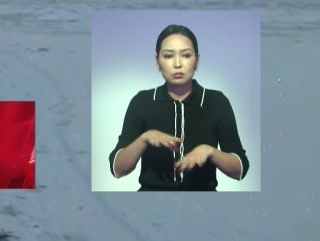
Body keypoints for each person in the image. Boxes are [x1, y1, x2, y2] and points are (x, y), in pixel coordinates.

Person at [107, 24, 251, 191]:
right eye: (168, 56)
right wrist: (144, 139)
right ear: (157, 62)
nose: (177, 64)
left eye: (186, 55)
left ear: (197, 61)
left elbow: (240, 170)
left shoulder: (216, 101)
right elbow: (118, 169)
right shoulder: (142, 101)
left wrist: (211, 152)